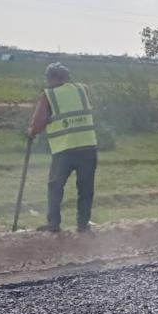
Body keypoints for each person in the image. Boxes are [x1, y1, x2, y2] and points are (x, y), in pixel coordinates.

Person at [27, 62, 98, 233]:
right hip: (88, 147)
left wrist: (30, 132)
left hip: (65, 150)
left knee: (55, 187)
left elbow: (37, 123)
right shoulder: (83, 89)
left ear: (52, 78)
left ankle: (54, 225)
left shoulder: (48, 95)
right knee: (86, 189)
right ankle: (83, 225)